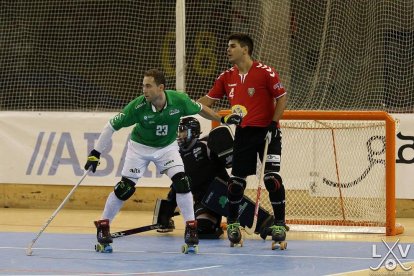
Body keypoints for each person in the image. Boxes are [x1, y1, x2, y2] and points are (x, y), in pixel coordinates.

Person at [84, 69, 241, 253]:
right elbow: (111, 126)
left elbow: (201, 110)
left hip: (166, 148)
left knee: (182, 182)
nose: (144, 90)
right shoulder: (137, 107)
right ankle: (103, 225)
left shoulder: (178, 100)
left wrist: (221, 118)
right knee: (125, 188)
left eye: (148, 86)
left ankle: (191, 228)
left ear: (161, 88)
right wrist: (96, 152)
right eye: (143, 86)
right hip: (139, 149)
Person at [198, 33, 288, 246]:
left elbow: (282, 97)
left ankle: (279, 224)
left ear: (245, 49)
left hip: (268, 132)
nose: (228, 50)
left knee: (271, 179)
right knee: (235, 183)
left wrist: (273, 124)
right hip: (243, 134)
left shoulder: (265, 72)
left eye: (232, 46)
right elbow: (206, 102)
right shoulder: (225, 77)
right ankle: (233, 223)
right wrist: (186, 104)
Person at [156, 116, 230, 239]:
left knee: (203, 229)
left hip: (215, 199)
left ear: (194, 132)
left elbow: (227, 162)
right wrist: (166, 215)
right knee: (197, 229)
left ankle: (216, 223)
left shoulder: (206, 146)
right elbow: (178, 185)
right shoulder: (177, 154)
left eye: (183, 131)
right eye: (179, 131)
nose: (180, 135)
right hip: (200, 202)